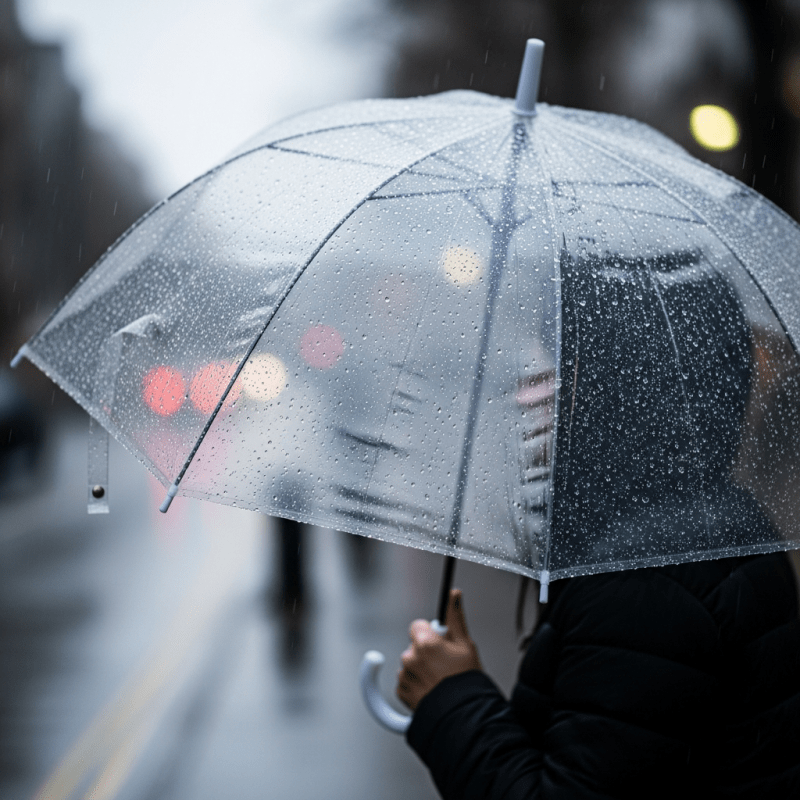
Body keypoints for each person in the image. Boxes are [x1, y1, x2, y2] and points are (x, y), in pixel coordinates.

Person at [396, 254, 800, 798]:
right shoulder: (714, 524)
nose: (528, 393)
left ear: (627, 382)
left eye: (559, 368)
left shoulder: (649, 576)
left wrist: (452, 699)